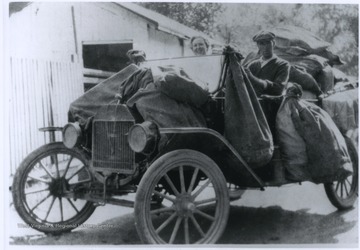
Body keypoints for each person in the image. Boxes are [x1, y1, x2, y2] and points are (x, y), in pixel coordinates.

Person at [244, 31, 290, 97]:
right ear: (258, 46)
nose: (265, 47)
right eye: (261, 44)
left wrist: (253, 78)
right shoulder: (253, 65)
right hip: (251, 103)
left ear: (273, 43)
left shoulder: (283, 64)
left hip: (269, 105)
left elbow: (278, 89)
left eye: (268, 43)